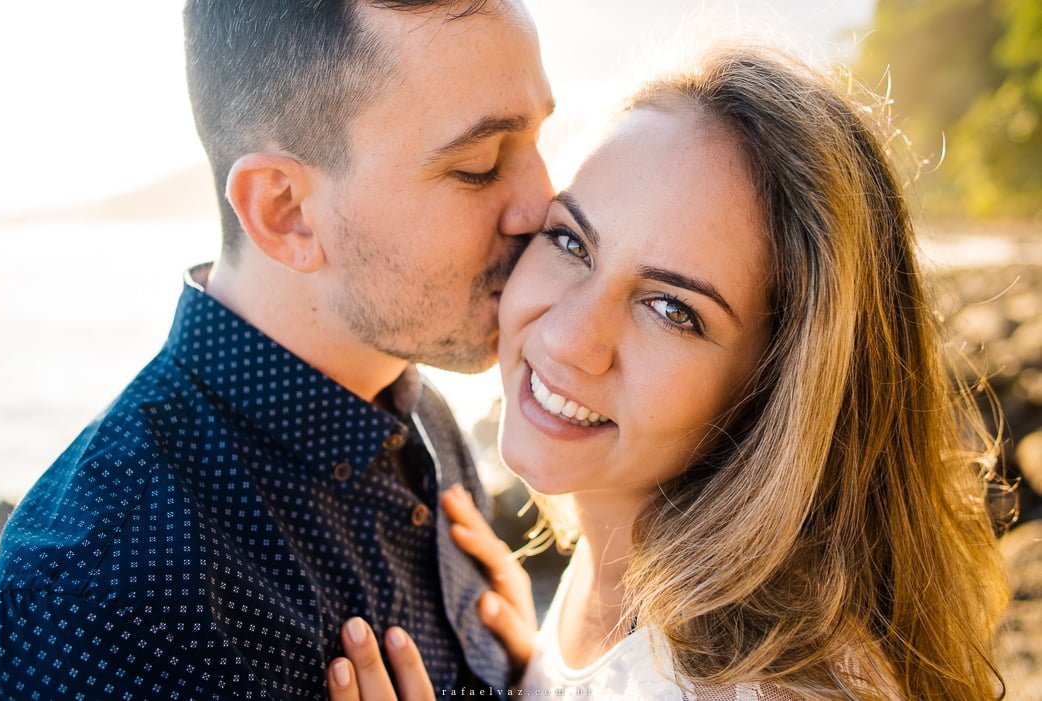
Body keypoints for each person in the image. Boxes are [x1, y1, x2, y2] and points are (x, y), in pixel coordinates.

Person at [326, 46, 1009, 700]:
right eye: (570, 240)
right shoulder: (617, 579)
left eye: (672, 309)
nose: (567, 338)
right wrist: (531, 661)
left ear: (778, 388)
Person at [0, 1, 554, 698]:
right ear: (284, 210)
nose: (545, 204)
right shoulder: (100, 594)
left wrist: (537, 673)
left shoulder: (418, 409)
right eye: (479, 164)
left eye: (537, 139)